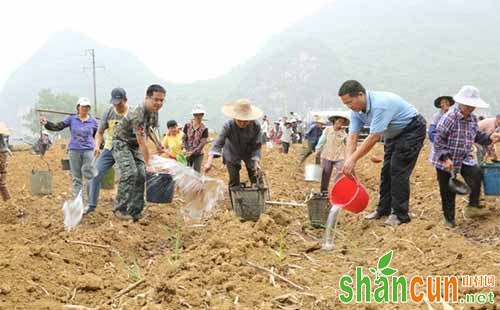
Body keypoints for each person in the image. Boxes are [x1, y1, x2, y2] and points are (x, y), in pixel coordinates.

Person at [339, 80, 426, 226]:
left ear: (360, 95)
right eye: (345, 104)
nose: (349, 106)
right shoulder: (356, 112)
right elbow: (353, 135)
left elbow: (374, 137)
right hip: (392, 134)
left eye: (350, 102)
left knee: (398, 171)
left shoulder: (380, 104)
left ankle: (400, 214)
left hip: (411, 130)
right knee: (386, 171)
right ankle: (383, 209)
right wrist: (348, 160)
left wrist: (353, 159)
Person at [431, 86, 500, 227]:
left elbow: (477, 136)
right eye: (467, 105)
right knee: (448, 189)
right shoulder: (449, 117)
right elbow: (438, 139)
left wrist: (490, 138)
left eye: (472, 105)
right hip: (446, 159)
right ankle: (449, 219)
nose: (470, 108)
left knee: (476, 175)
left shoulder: (472, 119)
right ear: (460, 103)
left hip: (463, 157)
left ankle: (472, 207)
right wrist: (445, 158)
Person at [112, 84, 166, 221]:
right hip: (121, 142)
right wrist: (148, 163)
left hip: (134, 145)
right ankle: (120, 209)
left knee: (141, 175)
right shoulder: (138, 113)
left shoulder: (154, 112)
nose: (159, 103)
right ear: (147, 98)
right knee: (130, 173)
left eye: (161, 100)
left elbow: (150, 130)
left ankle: (135, 210)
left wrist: (158, 144)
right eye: (156, 99)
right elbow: (142, 141)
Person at [40, 97, 98, 197]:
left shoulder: (93, 121)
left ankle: (90, 200)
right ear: (78, 107)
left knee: (89, 176)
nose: (85, 109)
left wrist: (101, 146)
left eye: (87, 107)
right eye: (83, 107)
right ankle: (77, 199)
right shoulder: (71, 119)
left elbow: (97, 136)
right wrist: (46, 123)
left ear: (89, 109)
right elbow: (58, 126)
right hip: (74, 150)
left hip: (88, 151)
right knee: (76, 177)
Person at [85, 87, 129, 215]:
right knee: (95, 174)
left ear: (125, 100)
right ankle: (91, 205)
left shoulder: (131, 113)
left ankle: (124, 206)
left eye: (119, 103)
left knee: (128, 177)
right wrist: (97, 146)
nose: (117, 106)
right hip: (109, 148)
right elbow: (99, 133)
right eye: (114, 103)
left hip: (126, 150)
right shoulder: (108, 111)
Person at [204, 99, 263, 187]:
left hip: (249, 152)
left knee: (256, 174)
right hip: (232, 151)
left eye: (246, 121)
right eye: (239, 120)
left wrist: (256, 161)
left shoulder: (256, 126)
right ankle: (236, 197)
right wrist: (209, 162)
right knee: (234, 177)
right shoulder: (228, 126)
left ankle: (259, 196)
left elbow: (257, 146)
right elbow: (218, 143)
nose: (243, 123)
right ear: (234, 117)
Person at [315, 114, 349, 193]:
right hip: (327, 155)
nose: (340, 124)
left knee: (341, 172)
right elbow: (322, 141)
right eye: (339, 121)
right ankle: (323, 191)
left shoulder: (343, 133)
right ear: (334, 121)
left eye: (342, 122)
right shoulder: (328, 130)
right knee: (325, 174)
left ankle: (336, 190)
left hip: (339, 156)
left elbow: (347, 143)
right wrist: (318, 150)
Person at [182, 105, 209, 173]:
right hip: (187, 152)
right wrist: (185, 148)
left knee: (196, 172)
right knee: (187, 171)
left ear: (202, 115)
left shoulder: (204, 129)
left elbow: (202, 143)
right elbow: (184, 138)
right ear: (193, 115)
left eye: (200, 115)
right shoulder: (187, 126)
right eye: (196, 115)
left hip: (198, 154)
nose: (198, 116)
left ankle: (196, 183)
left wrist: (193, 152)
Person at [0, 122, 12, 201]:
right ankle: (6, 197)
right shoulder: (1, 134)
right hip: (4, 153)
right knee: (3, 172)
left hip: (2, 153)